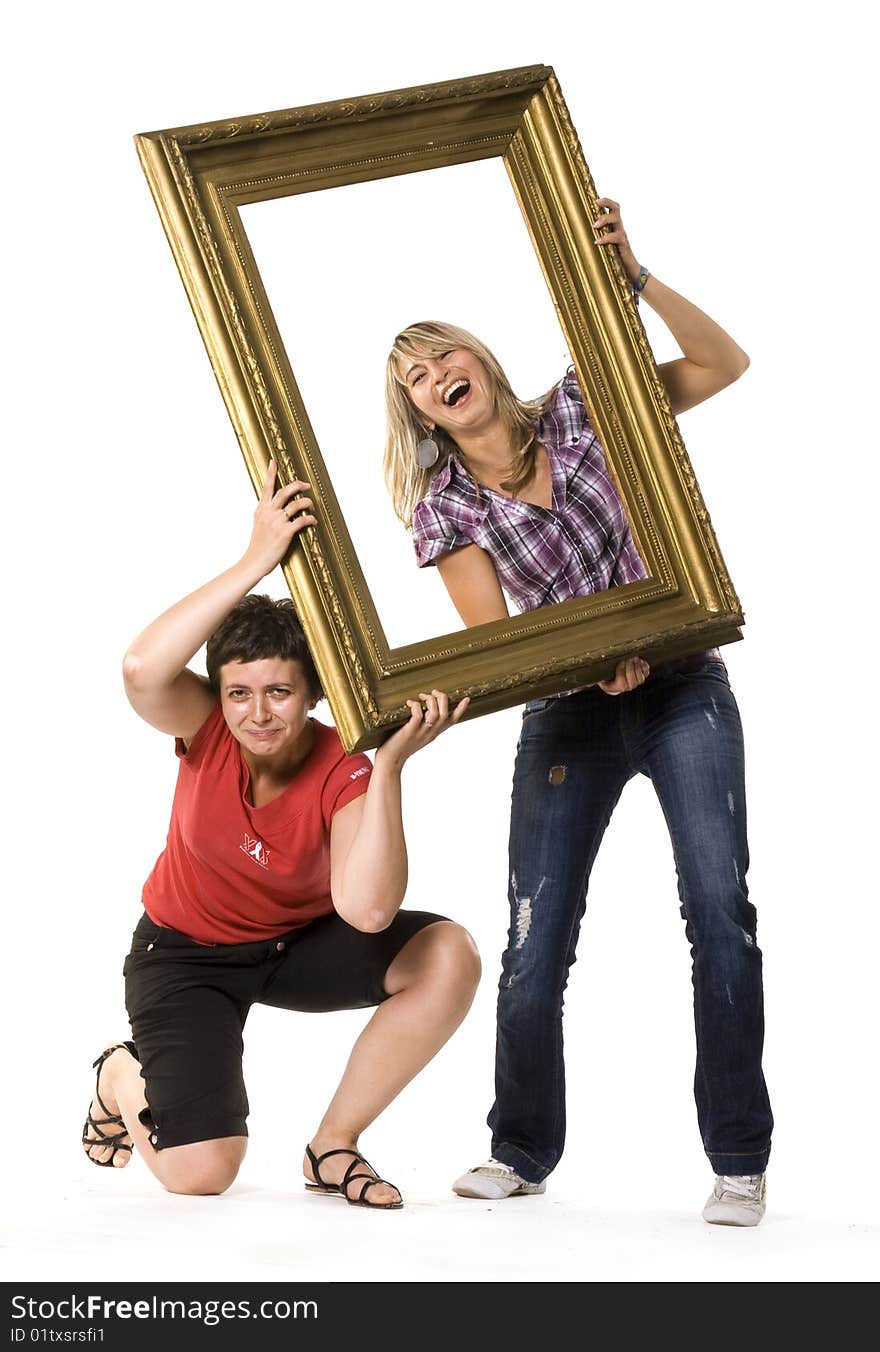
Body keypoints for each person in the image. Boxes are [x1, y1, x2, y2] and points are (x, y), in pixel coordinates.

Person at [383, 199, 771, 1226]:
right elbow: (497, 641)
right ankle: (519, 1148)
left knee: (718, 910)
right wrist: (586, 660)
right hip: (567, 713)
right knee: (534, 936)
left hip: (684, 680)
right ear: (421, 414)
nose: (435, 375)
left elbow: (721, 362)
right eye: (415, 377)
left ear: (480, 355)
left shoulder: (587, 402)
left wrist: (635, 278)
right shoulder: (449, 510)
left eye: (442, 353)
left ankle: (737, 1157)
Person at [82, 462, 480, 1208]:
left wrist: (388, 767)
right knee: (201, 1175)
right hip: (185, 957)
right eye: (239, 692)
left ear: (312, 692)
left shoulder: (342, 766)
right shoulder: (204, 727)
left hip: (292, 948)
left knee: (447, 953)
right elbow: (141, 668)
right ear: (219, 695)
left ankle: (333, 1146)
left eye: (278, 692)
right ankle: (118, 1073)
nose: (257, 714)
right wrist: (257, 559)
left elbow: (366, 913)